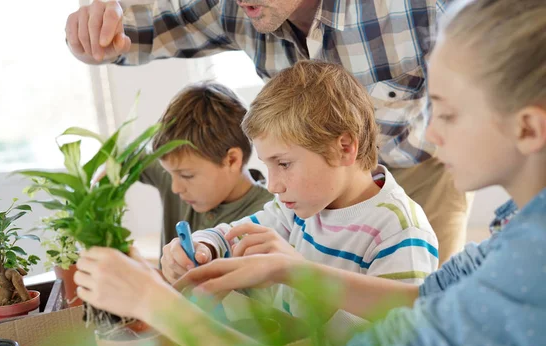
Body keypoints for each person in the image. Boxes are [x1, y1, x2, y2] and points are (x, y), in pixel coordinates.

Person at [74, 0, 546, 346]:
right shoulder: (520, 226)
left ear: (528, 127)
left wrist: (157, 304)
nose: (429, 132)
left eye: (444, 111)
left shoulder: (530, 260)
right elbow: (428, 302)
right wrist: (291, 270)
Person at [65, 0, 468, 266]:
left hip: (423, 166)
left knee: (428, 318)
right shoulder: (288, 201)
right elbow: (136, 28)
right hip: (313, 182)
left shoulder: (418, 8)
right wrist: (95, 28)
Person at [161, 61, 438, 323]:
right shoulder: (295, 209)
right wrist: (203, 247)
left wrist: (300, 275)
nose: (272, 185)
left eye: (283, 164)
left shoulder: (400, 230)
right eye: (268, 165)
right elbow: (231, 235)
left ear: (344, 148)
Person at [137, 82, 272, 266]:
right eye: (169, 173)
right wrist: (111, 163)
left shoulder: (270, 217)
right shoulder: (178, 170)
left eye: (187, 176)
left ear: (231, 160)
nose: (175, 187)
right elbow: (127, 156)